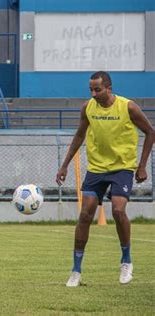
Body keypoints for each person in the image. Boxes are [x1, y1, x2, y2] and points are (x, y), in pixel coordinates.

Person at [56, 71, 153, 287]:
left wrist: (142, 165)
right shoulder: (88, 107)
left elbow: (150, 132)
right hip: (97, 168)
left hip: (122, 167)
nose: (93, 94)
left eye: (97, 89)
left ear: (109, 88)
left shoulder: (128, 107)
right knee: (84, 215)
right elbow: (80, 135)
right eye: (90, 89)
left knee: (118, 210)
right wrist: (64, 165)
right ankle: (76, 271)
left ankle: (126, 261)